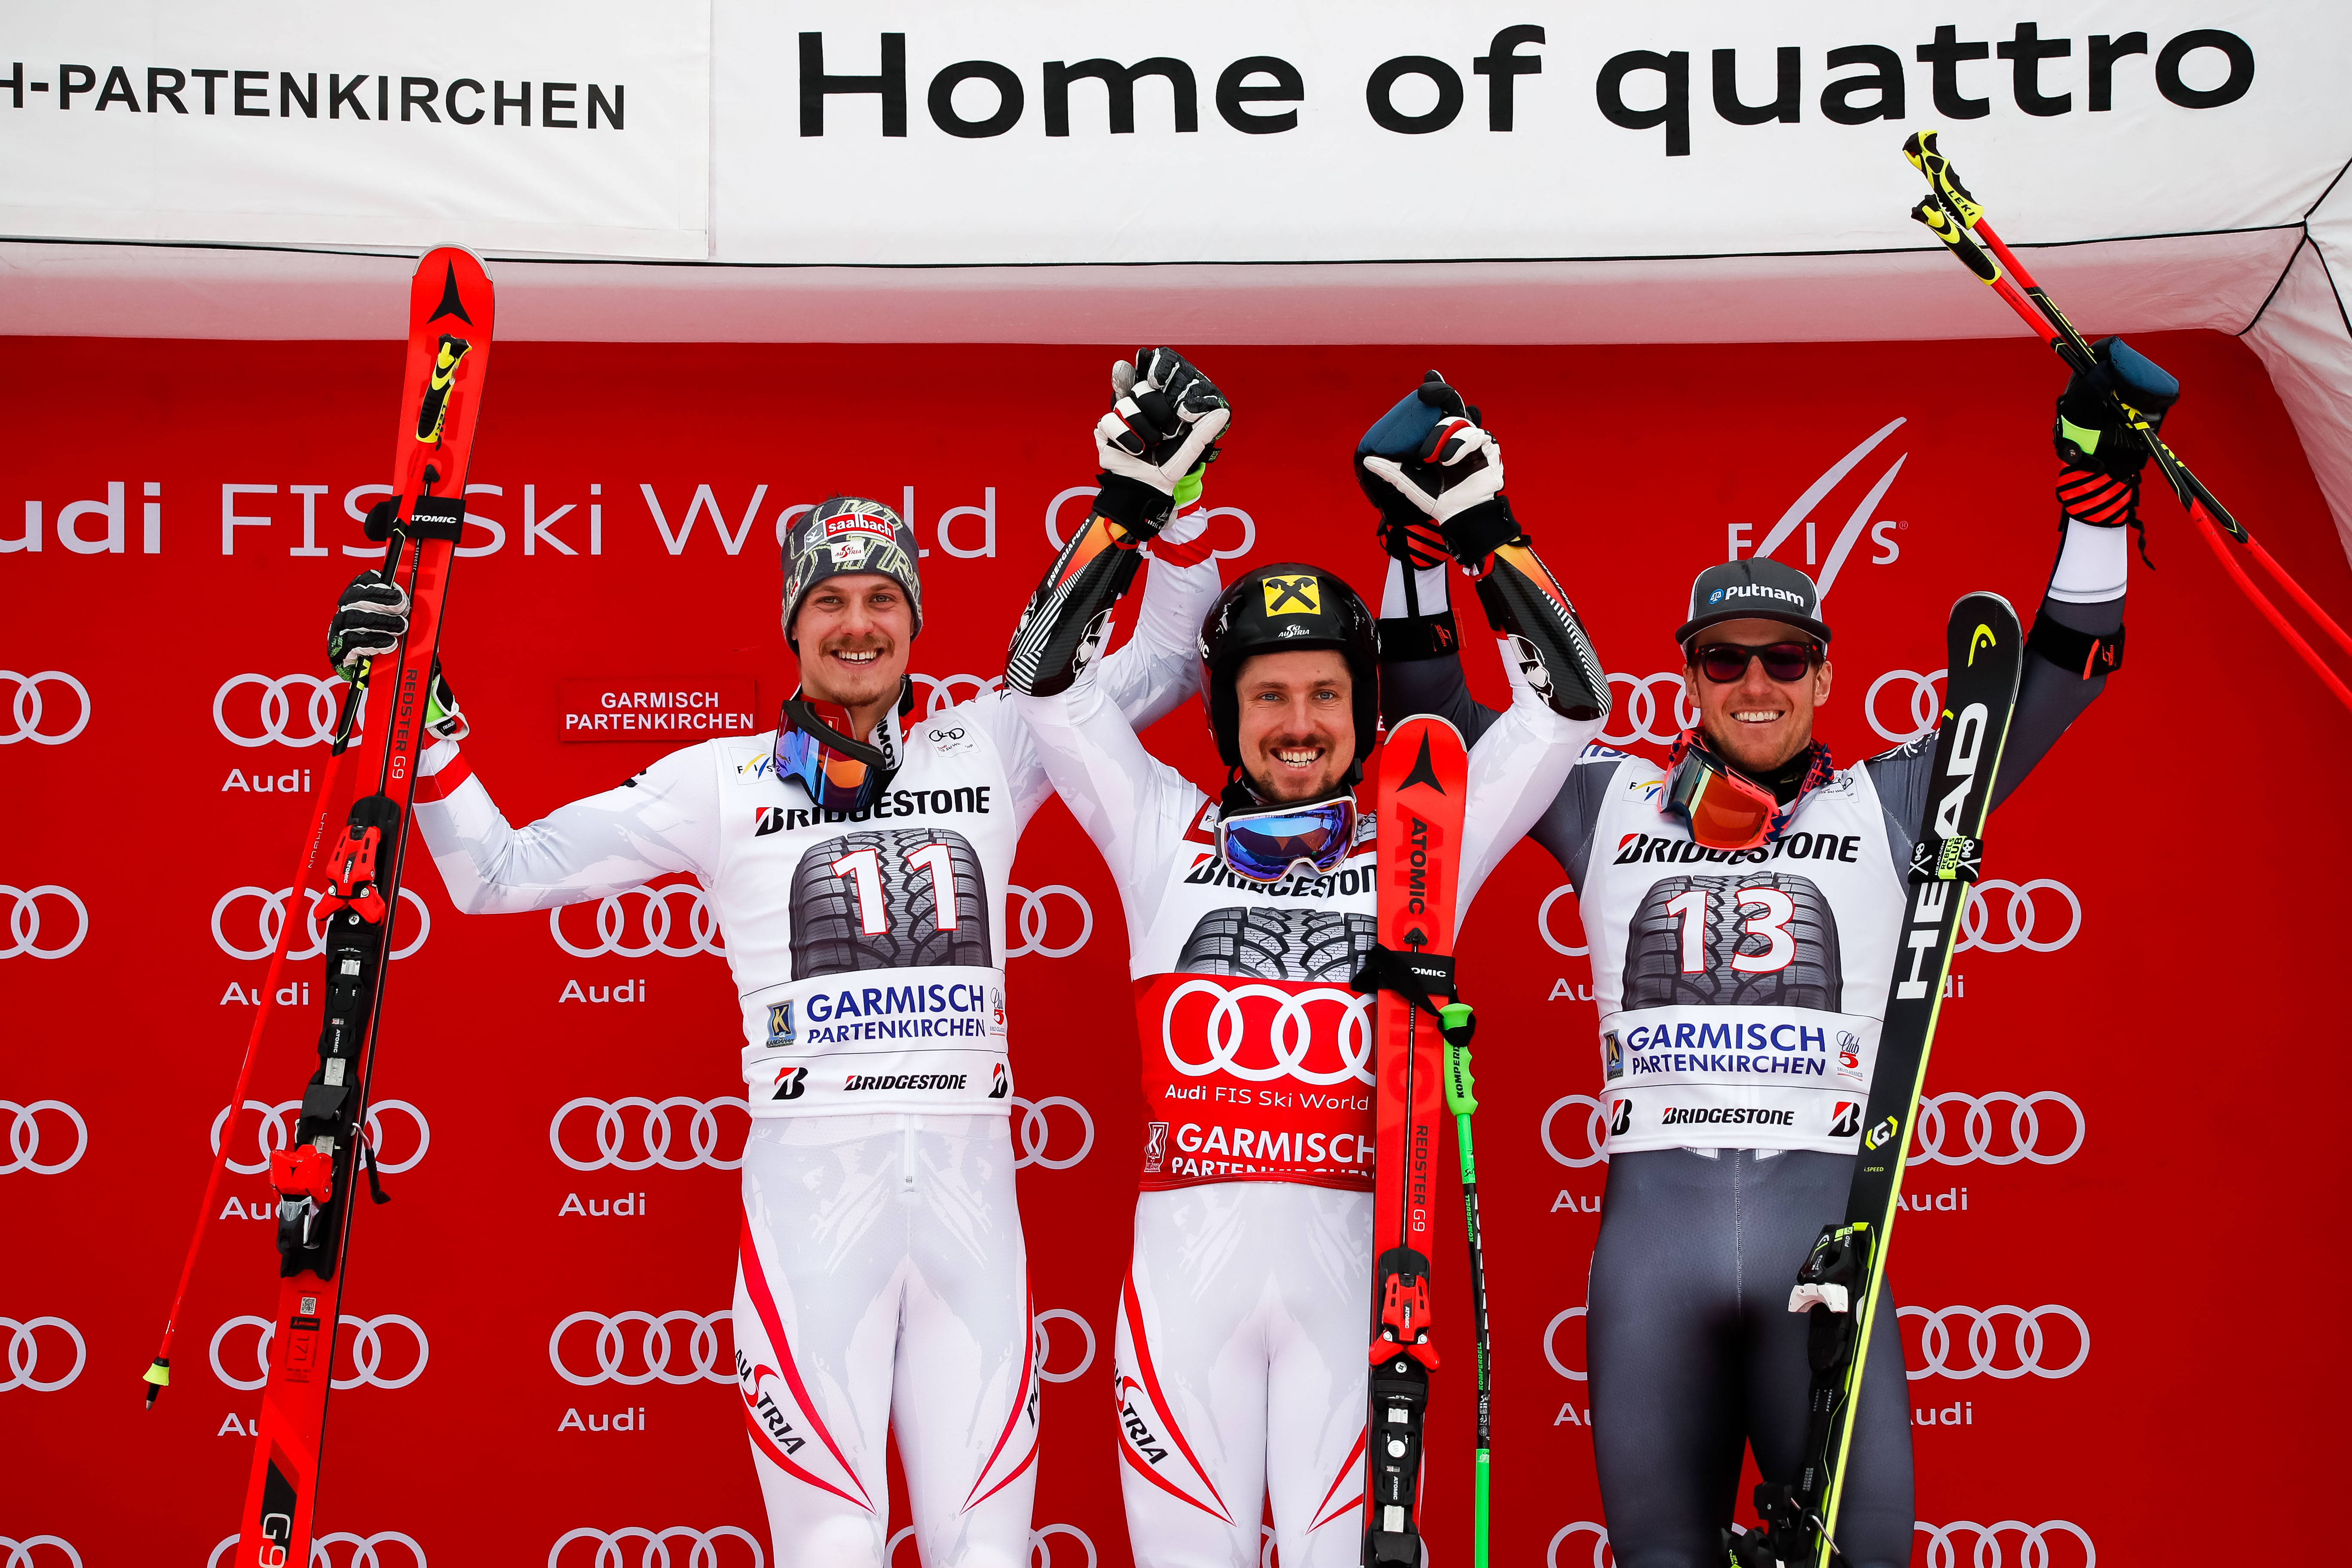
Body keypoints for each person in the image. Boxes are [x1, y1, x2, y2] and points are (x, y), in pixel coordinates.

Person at [317, 351, 1232, 1568]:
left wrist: (1169, 492)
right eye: (831, 603)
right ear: (793, 625)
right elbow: (498, 874)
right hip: (812, 1206)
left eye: (883, 602)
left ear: (916, 623)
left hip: (973, 1206)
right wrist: (417, 716)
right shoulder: (719, 780)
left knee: (988, 1551)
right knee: (829, 1550)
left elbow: (1171, 660)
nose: (858, 625)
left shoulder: (998, 741)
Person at [1373, 341, 2162, 1568]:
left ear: (1826, 673)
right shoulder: (1605, 800)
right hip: (1652, 1262)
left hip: (1823, 1252)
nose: (1755, 684)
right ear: (1685, 674)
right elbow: (1430, 718)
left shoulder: (1898, 802)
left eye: (1785, 660)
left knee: (1871, 1559)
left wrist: (2099, 497)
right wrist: (1415, 545)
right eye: (1724, 660)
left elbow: (2065, 672)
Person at [1002, 368, 1611, 1568]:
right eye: (1266, 694)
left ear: (1362, 710)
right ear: (1224, 717)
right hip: (1183, 1302)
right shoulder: (1157, 829)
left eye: (1326, 694)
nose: (1298, 720)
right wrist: (1129, 505)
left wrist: (1484, 525)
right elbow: (1043, 686)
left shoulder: (1425, 834)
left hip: (1363, 1299)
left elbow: (1570, 706)